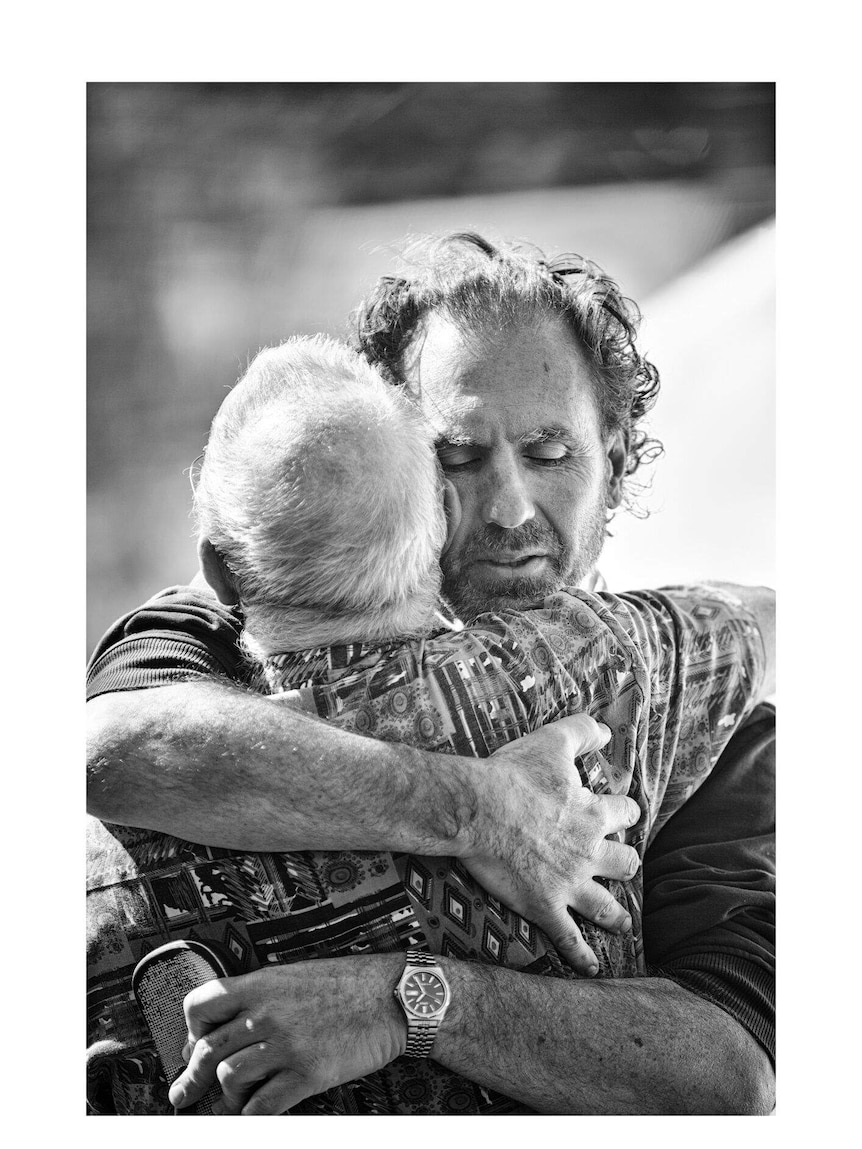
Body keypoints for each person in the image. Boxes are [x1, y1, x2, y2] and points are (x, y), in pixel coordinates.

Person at [87, 234, 776, 1114]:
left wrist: (401, 1002)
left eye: (551, 453)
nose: (508, 508)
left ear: (616, 458)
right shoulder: (229, 616)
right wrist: (485, 811)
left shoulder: (712, 723)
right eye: (457, 457)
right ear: (401, 459)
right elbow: (107, 752)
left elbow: (734, 1074)